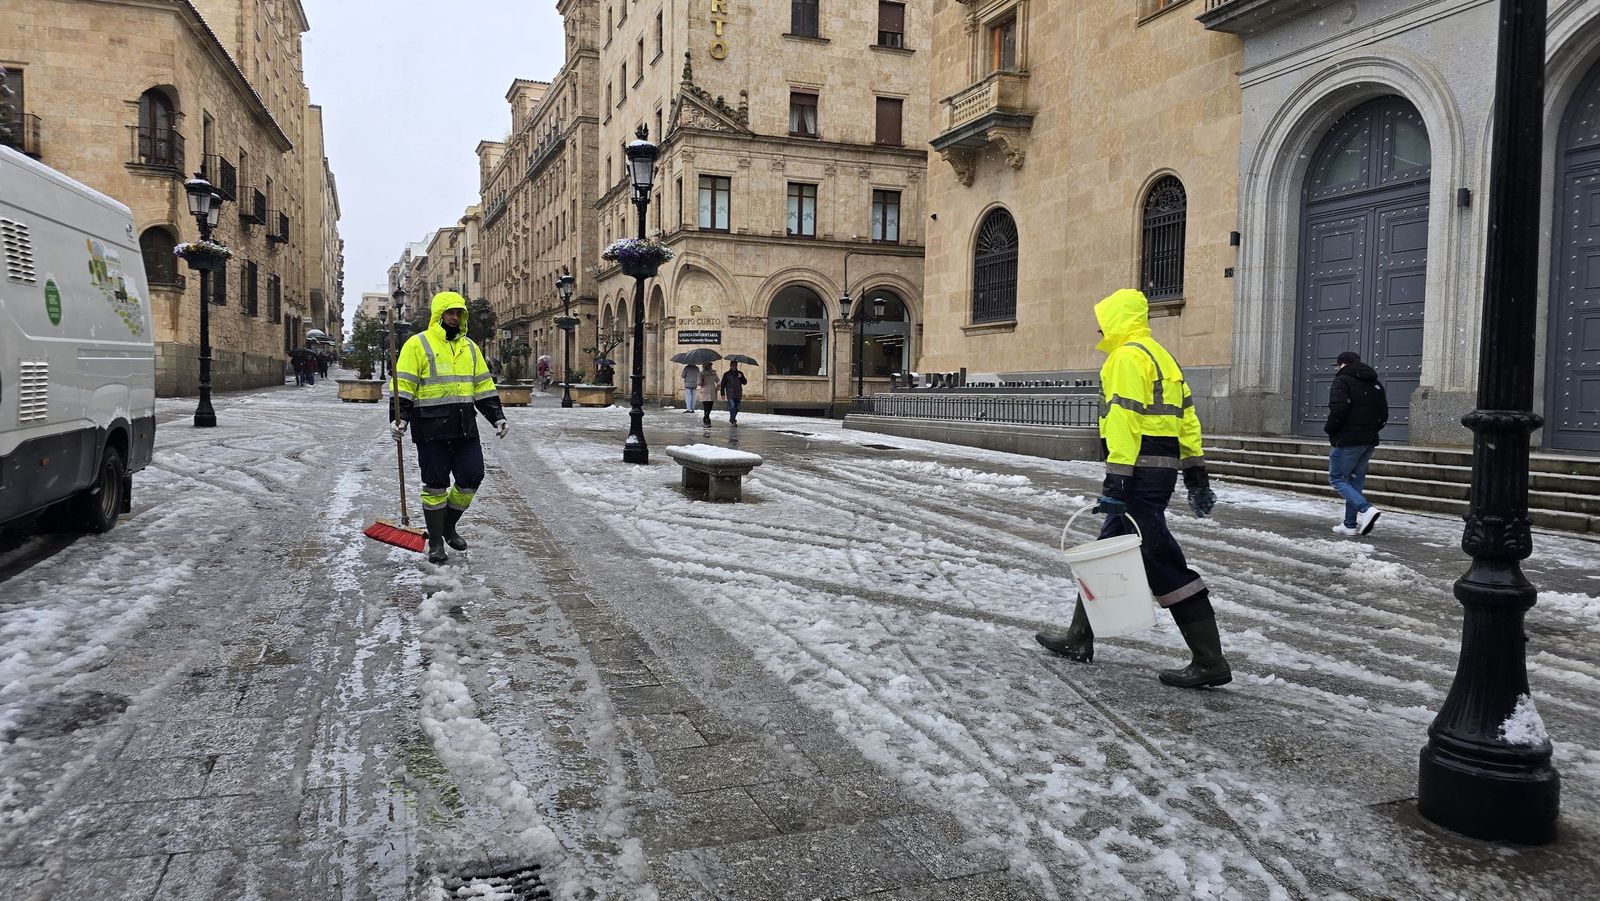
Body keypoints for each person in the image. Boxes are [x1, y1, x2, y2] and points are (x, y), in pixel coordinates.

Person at [1036, 288, 1228, 689]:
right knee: (1107, 553)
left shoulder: (1125, 357)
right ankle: (1078, 637)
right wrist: (1195, 470)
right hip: (1160, 471)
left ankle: (1210, 660)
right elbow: (1187, 419)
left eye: (1103, 319)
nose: (1099, 326)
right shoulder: (1162, 357)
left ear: (1116, 319)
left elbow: (1123, 418)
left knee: (1162, 561)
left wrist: (1117, 479)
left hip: (1137, 474)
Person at [390, 292, 508, 564]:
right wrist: (399, 418)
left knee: (472, 477)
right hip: (431, 428)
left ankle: (446, 526)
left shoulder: (469, 347)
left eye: (459, 313)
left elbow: (482, 386)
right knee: (435, 486)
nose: (455, 317)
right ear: (439, 314)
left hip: (464, 426)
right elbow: (403, 386)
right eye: (450, 312)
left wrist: (496, 416)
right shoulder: (417, 344)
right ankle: (435, 542)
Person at [1325, 350, 1388, 536]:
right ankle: (1349, 525)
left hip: (1347, 439)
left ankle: (1366, 509)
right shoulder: (1375, 384)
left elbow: (1339, 410)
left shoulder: (1342, 381)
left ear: (1342, 364)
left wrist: (1330, 430)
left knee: (1336, 478)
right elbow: (1383, 414)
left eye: (1337, 366)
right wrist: (1370, 431)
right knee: (1354, 482)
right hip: (1368, 441)